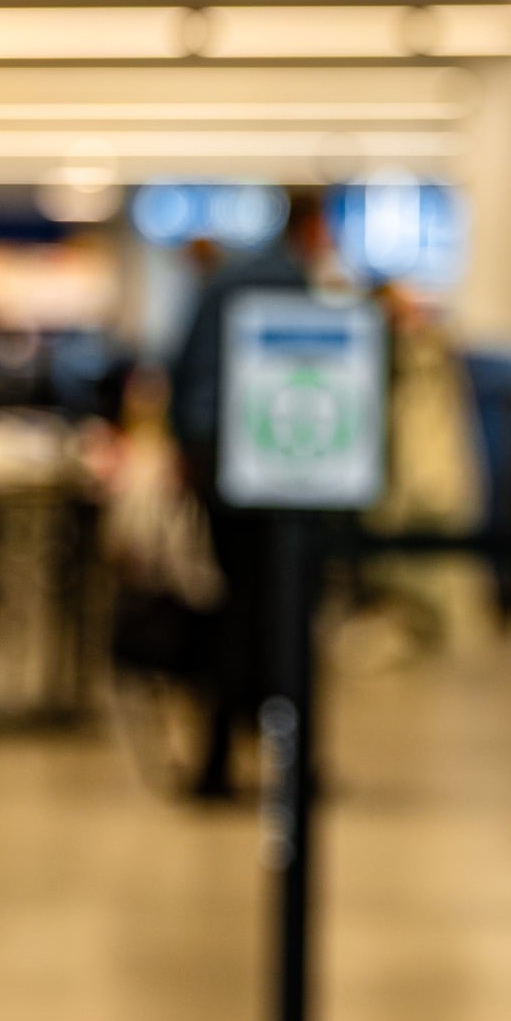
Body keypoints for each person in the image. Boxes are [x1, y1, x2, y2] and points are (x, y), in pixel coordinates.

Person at [166, 191, 331, 797]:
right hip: (273, 463)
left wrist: (183, 448)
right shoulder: (295, 283)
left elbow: (178, 364)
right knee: (281, 614)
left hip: (213, 459)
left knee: (229, 608)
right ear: (312, 226)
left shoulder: (224, 274)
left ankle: (214, 762)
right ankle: (291, 765)